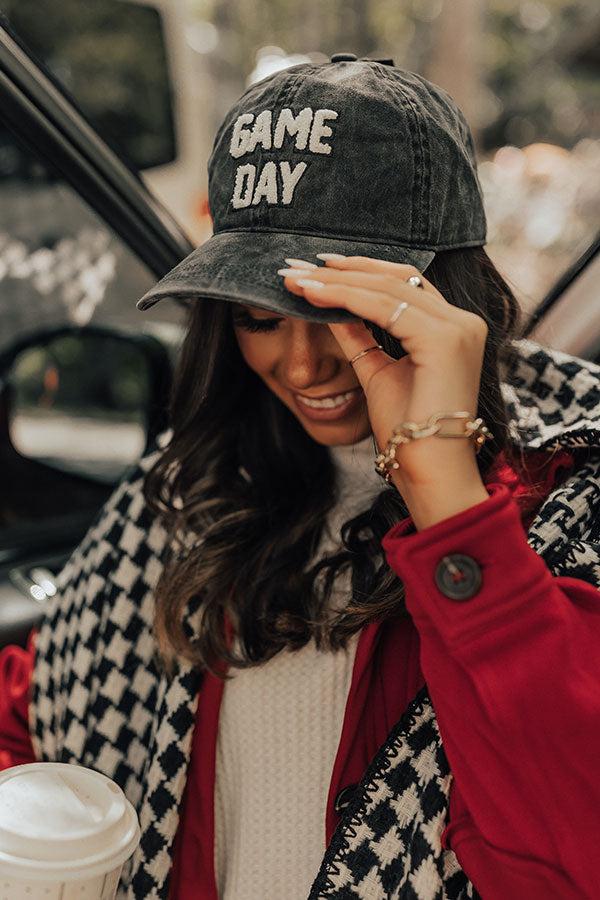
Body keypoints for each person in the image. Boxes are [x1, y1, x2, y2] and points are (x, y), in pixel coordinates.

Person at [2, 55, 600, 900]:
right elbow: (38, 713)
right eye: (257, 317)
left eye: (345, 314)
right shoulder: (195, 485)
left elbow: (567, 855)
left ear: (447, 298)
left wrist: (447, 501)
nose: (301, 364)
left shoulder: (566, 502)